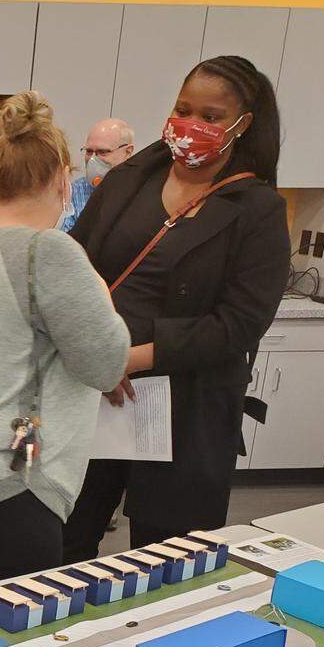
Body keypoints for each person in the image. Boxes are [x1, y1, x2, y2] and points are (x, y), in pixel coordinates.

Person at [63, 56, 291, 558]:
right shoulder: (130, 180)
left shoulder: (257, 210)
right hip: (95, 393)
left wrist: (132, 357)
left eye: (210, 116)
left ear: (242, 124)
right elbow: (75, 264)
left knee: (168, 555)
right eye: (183, 109)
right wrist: (95, 351)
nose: (191, 125)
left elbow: (240, 324)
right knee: (64, 539)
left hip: (187, 409)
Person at [0, 92, 135, 588]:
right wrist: (100, 294)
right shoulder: (48, 250)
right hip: (12, 469)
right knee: (20, 633)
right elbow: (104, 364)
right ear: (63, 181)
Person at [60, 118, 134, 233]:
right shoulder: (73, 193)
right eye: (89, 151)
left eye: (103, 152)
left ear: (128, 152)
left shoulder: (141, 192)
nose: (93, 159)